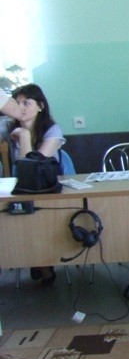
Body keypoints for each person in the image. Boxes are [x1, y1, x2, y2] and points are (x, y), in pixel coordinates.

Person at [1, 84, 65, 286]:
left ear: (40, 106)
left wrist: (24, 136)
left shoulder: (52, 129)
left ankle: (41, 264)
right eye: (17, 103)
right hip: (21, 188)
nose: (20, 108)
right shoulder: (7, 126)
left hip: (47, 189)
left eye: (26, 103)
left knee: (33, 217)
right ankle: (38, 262)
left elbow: (32, 168)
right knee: (15, 217)